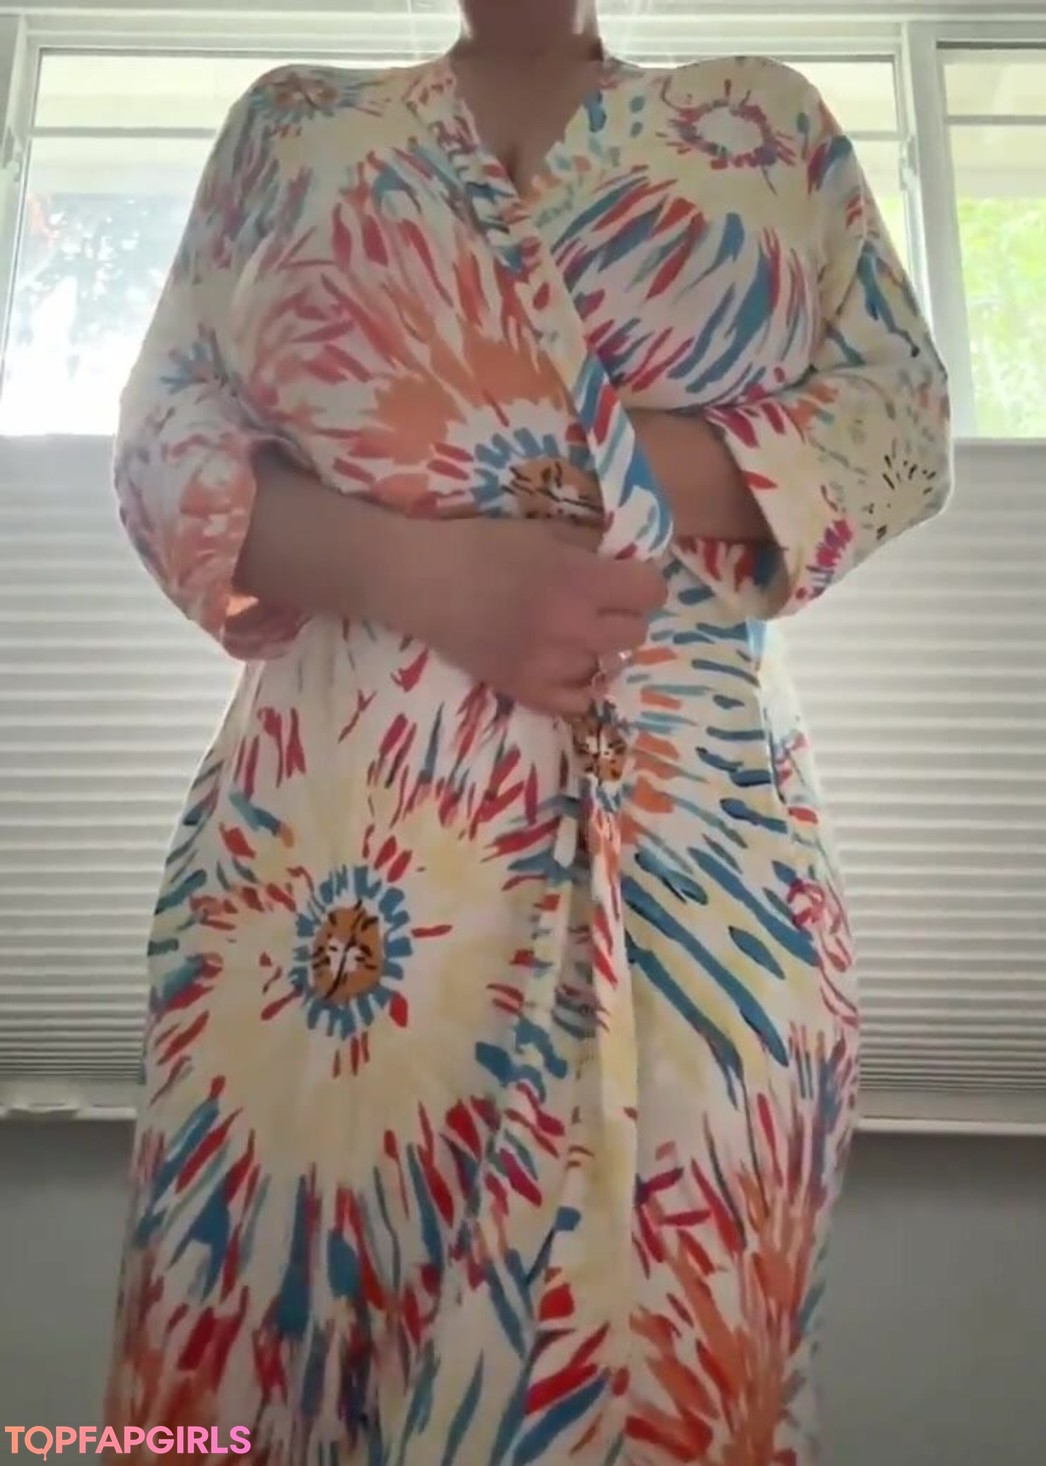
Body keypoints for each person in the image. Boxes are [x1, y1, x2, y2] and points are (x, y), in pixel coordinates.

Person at [103, 1, 952, 1461]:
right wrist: (426, 574)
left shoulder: (767, 123)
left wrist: (568, 468)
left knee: (656, 1363)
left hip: (702, 896)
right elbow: (161, 440)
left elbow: (899, 424)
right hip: (326, 904)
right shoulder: (291, 128)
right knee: (287, 1349)